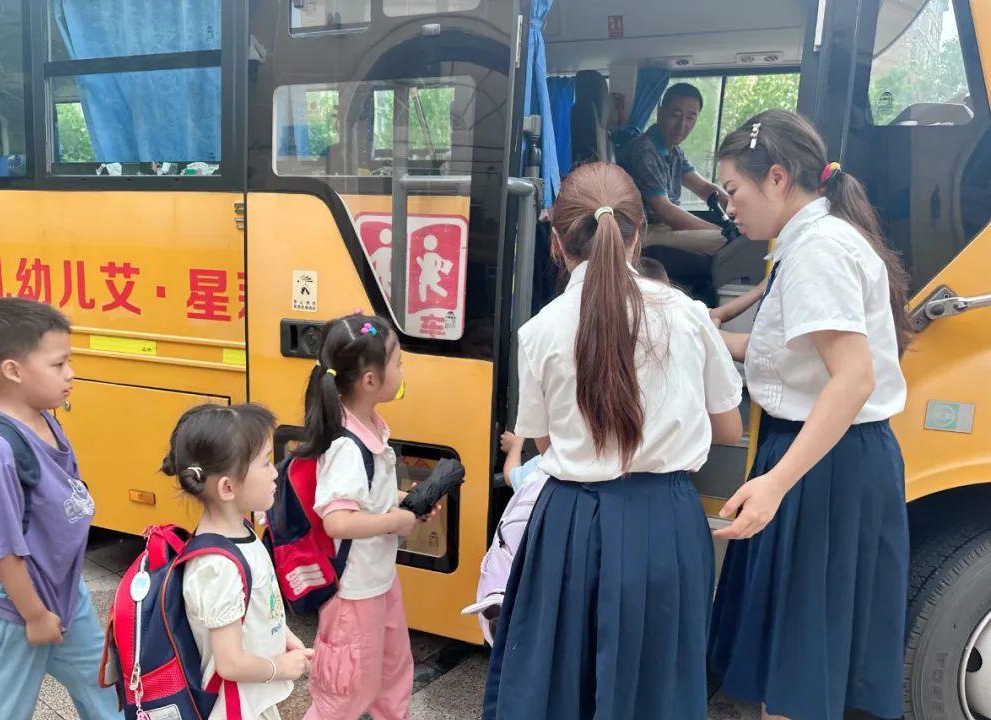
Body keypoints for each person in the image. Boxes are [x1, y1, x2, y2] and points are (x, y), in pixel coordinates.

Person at [483, 162, 744, 720]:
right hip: (666, 522)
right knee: (656, 689)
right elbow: (730, 429)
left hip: (570, 524)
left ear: (557, 243)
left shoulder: (540, 329)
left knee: (562, 686)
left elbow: (545, 444)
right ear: (638, 233)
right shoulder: (687, 316)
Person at [707, 110, 911, 720]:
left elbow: (853, 378)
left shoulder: (819, 251)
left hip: (821, 463)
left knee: (796, 669)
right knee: (795, 661)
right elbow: (788, 354)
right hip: (819, 453)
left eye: (733, 191)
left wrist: (774, 483)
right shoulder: (810, 242)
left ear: (776, 177)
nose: (729, 208)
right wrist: (702, 334)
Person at [0, 297, 121, 719]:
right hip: (19, 611)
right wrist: (34, 615)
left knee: (106, 690)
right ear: (13, 371)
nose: (70, 373)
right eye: (58, 364)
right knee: (3, 710)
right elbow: (2, 550)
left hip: (68, 595)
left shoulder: (45, 417)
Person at [298, 314, 423, 720]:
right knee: (346, 690)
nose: (402, 371)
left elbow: (367, 499)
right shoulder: (347, 448)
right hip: (353, 592)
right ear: (370, 381)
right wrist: (394, 522)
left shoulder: (369, 427)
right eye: (398, 363)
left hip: (379, 580)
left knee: (393, 673)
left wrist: (406, 501)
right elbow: (338, 521)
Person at [162, 403, 313, 720]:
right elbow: (229, 663)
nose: (275, 472)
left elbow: (257, 607)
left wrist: (283, 637)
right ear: (228, 487)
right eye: (266, 463)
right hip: (235, 709)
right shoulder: (218, 568)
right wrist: (279, 666)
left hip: (253, 701)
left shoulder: (242, 532)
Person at [622, 83, 730, 254]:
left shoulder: (673, 151)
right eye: (675, 115)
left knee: (728, 238)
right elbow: (665, 210)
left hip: (662, 226)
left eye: (690, 118)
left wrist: (737, 207)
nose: (682, 125)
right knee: (724, 241)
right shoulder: (645, 150)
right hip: (641, 232)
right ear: (660, 112)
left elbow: (703, 187)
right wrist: (724, 231)